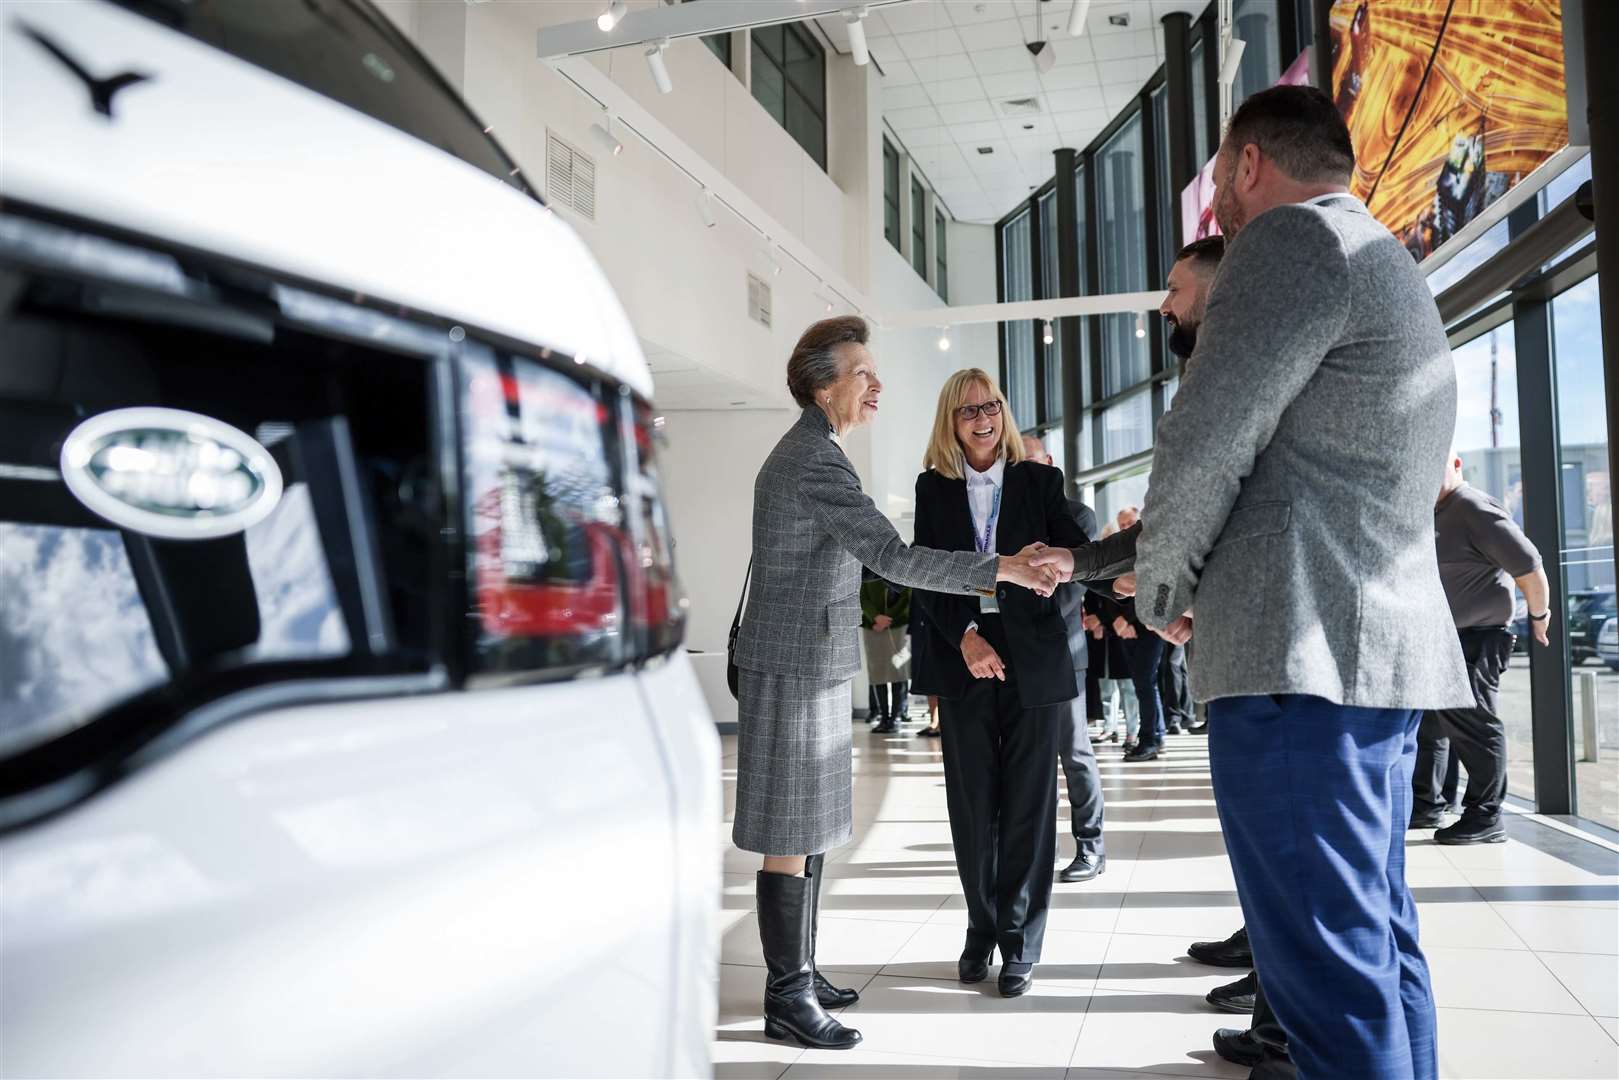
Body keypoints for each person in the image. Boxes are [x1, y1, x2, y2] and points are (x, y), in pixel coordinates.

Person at [1037, 85, 1472, 1079]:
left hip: (1298, 656)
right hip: (1363, 654)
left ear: (1244, 165)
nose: (1218, 220)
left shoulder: (1288, 241)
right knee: (1372, 946)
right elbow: (1277, 473)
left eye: (1221, 186)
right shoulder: (1376, 257)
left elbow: (1205, 443)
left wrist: (1156, 599)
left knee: (1323, 971)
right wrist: (1106, 562)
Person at [731, 317, 1059, 1051]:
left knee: (808, 829)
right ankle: (786, 996)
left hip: (801, 660)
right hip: (790, 665)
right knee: (790, 831)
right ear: (821, 386)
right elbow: (890, 555)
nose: (874, 384)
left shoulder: (818, 451)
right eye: (859, 372)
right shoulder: (813, 459)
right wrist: (999, 566)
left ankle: (801, 972)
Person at [910, 369, 1135, 999]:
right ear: (950, 422)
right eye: (967, 411)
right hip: (966, 652)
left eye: (991, 406)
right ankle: (982, 926)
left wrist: (1115, 583)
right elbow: (926, 574)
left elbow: (1079, 553)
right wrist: (965, 638)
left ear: (1002, 413)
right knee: (973, 804)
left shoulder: (1039, 480)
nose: (982, 419)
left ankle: (1022, 940)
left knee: (1031, 805)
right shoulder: (934, 488)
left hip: (1033, 657)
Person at [1412, 452, 1552, 843]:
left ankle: (1486, 818)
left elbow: (1529, 567)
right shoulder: (1433, 511)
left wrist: (1540, 616)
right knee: (1432, 726)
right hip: (1441, 636)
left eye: (1435, 465)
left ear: (1456, 465)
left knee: (1475, 724)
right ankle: (1428, 805)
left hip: (1478, 635)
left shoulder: (1472, 507)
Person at [1020, 433, 1107, 884]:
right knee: (1029, 759)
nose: (1025, 469)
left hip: (1063, 651)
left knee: (1073, 754)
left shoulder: (1077, 515)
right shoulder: (1008, 514)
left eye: (1032, 461)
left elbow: (1073, 586)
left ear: (1050, 463)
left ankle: (1091, 846)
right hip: (1018, 654)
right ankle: (1035, 850)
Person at [860, 574, 911, 734]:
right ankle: (883, 718)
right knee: (877, 673)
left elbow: (907, 598)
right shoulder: (868, 569)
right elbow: (862, 598)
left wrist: (887, 620)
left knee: (899, 672)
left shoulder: (902, 568)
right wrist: (876, 617)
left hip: (899, 627)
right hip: (872, 627)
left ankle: (895, 718)